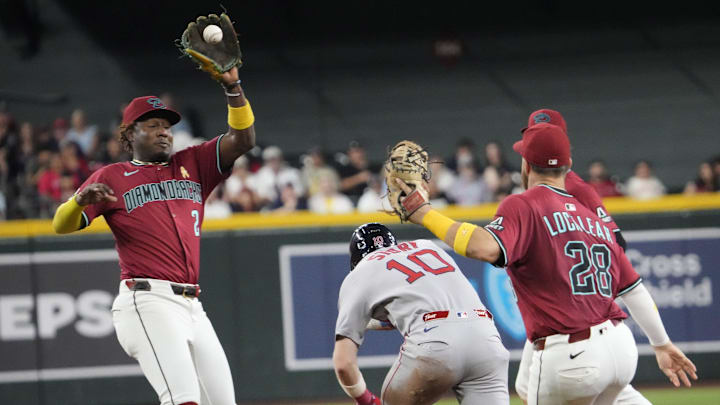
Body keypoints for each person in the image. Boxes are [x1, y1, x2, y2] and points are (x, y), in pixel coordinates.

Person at [394, 123, 697, 405]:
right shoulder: (593, 216)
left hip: (570, 355)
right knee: (530, 385)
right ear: (568, 167)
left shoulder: (523, 204)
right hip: (620, 347)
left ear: (525, 165)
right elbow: (634, 288)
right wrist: (661, 343)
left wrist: (424, 213)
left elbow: (482, 247)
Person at [51, 61, 256, 405]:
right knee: (183, 400)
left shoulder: (193, 164)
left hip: (192, 306)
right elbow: (61, 225)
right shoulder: (113, 176)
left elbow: (243, 138)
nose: (165, 131)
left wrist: (233, 88)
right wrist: (76, 202)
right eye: (154, 125)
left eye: (168, 126)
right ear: (130, 134)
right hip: (147, 301)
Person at [514, 110, 647, 405]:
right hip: (560, 315)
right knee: (525, 385)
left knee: (540, 383)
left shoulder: (574, 188)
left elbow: (616, 242)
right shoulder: (545, 192)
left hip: (576, 316)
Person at [333, 223, 509, 405]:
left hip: (436, 343)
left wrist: (365, 400)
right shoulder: (427, 246)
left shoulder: (360, 273)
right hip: (486, 339)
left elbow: (343, 364)